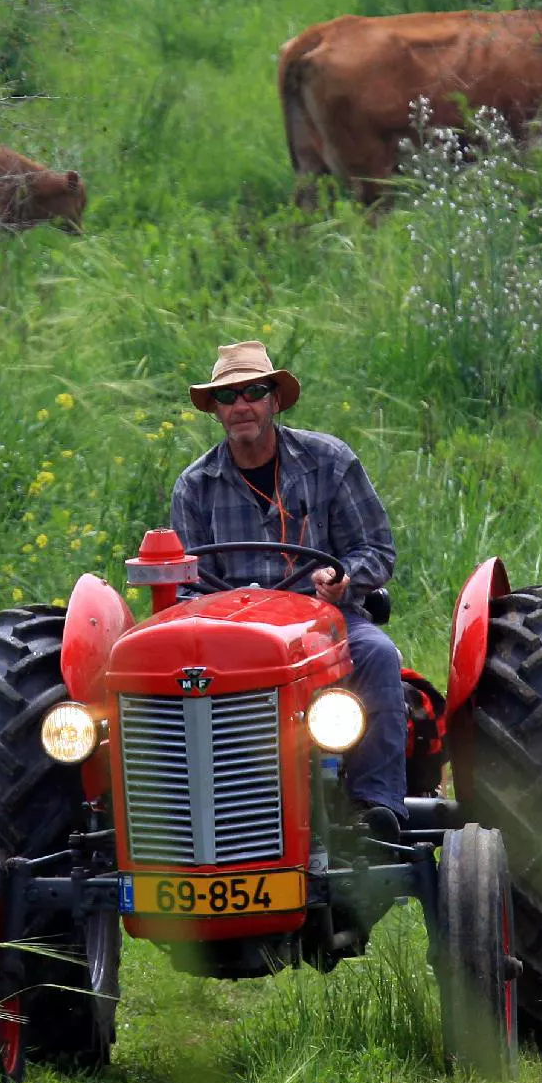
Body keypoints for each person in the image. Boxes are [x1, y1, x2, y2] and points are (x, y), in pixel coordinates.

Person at [169, 341, 405, 842]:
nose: (241, 406)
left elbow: (376, 550)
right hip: (230, 638)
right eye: (228, 397)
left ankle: (376, 806)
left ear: (275, 399)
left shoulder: (328, 461)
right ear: (215, 409)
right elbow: (184, 589)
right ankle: (200, 819)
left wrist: (345, 579)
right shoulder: (195, 486)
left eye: (253, 392)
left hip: (324, 624)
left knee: (379, 654)